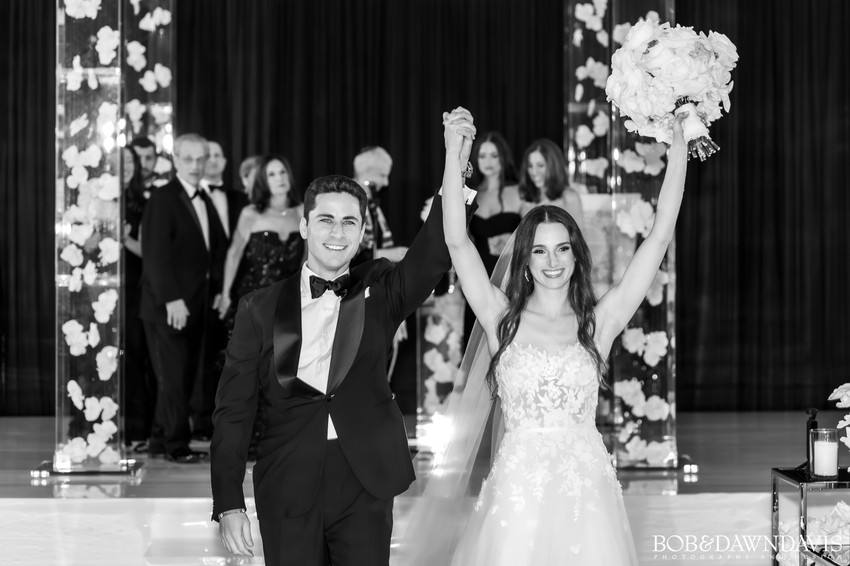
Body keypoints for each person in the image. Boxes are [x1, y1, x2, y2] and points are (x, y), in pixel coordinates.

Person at [404, 111, 687, 565]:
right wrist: (453, 156)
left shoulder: (600, 321)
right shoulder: (500, 318)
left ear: (575, 256)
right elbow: (456, 241)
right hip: (517, 494)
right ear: (525, 260)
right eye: (539, 250)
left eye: (561, 249)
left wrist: (679, 149)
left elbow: (658, 237)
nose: (552, 262)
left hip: (586, 494)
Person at [210, 109, 477, 566]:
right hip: (287, 481)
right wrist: (229, 503)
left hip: (365, 480)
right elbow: (233, 411)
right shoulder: (259, 307)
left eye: (350, 222)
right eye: (326, 220)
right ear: (304, 226)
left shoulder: (382, 289)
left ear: (362, 231)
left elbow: (434, 251)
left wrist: (456, 160)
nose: (338, 232)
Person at [139, 133, 227, 464]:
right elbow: (155, 255)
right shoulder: (163, 198)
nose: (195, 165)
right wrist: (171, 299)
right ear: (175, 160)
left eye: (200, 159)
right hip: (168, 305)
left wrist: (218, 291)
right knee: (173, 378)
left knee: (181, 375)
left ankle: (159, 439)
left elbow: (214, 250)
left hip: (195, 303)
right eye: (187, 159)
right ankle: (176, 445)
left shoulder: (203, 197)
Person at [193, 140, 250, 441]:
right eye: (208, 155)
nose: (213, 160)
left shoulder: (240, 199)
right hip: (202, 291)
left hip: (238, 289)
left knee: (233, 357)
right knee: (203, 357)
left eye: (218, 155)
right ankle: (202, 422)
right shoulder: (191, 196)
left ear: (226, 162)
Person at [463, 132, 524, 346]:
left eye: (494, 155)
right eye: (482, 156)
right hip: (478, 276)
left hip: (512, 276)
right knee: (476, 338)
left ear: (503, 158)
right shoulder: (470, 194)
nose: (487, 161)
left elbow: (536, 234)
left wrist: (513, 241)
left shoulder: (519, 191)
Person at [121, 146, 155, 446]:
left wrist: (122, 238)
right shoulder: (94, 202)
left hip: (134, 289)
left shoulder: (145, 202)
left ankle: (136, 429)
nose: (126, 166)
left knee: (133, 358)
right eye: (120, 161)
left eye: (130, 161)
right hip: (100, 290)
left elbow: (149, 252)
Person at [351, 146, 408, 264]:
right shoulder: (350, 201)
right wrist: (388, 254)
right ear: (365, 173)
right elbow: (346, 249)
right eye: (382, 175)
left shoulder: (371, 203)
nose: (386, 183)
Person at [518, 138, 584, 228]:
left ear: (554, 166)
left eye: (540, 165)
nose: (534, 172)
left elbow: (579, 235)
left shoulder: (569, 197)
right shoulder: (524, 199)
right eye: (530, 166)